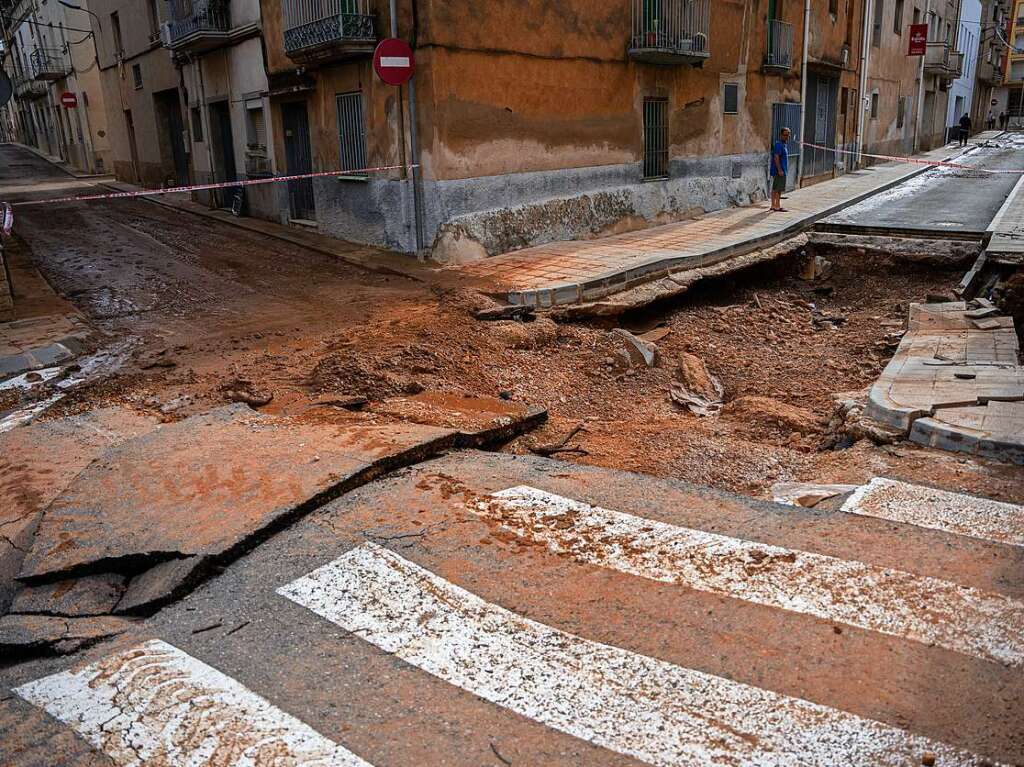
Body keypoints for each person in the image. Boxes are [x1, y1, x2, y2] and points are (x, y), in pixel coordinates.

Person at [770, 127, 790, 213]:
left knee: (776, 187)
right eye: (785, 135)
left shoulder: (783, 145)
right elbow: (776, 157)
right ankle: (777, 206)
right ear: (781, 135)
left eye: (788, 135)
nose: (786, 137)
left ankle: (773, 205)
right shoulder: (778, 145)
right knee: (778, 188)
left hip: (782, 169)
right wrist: (779, 170)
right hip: (780, 170)